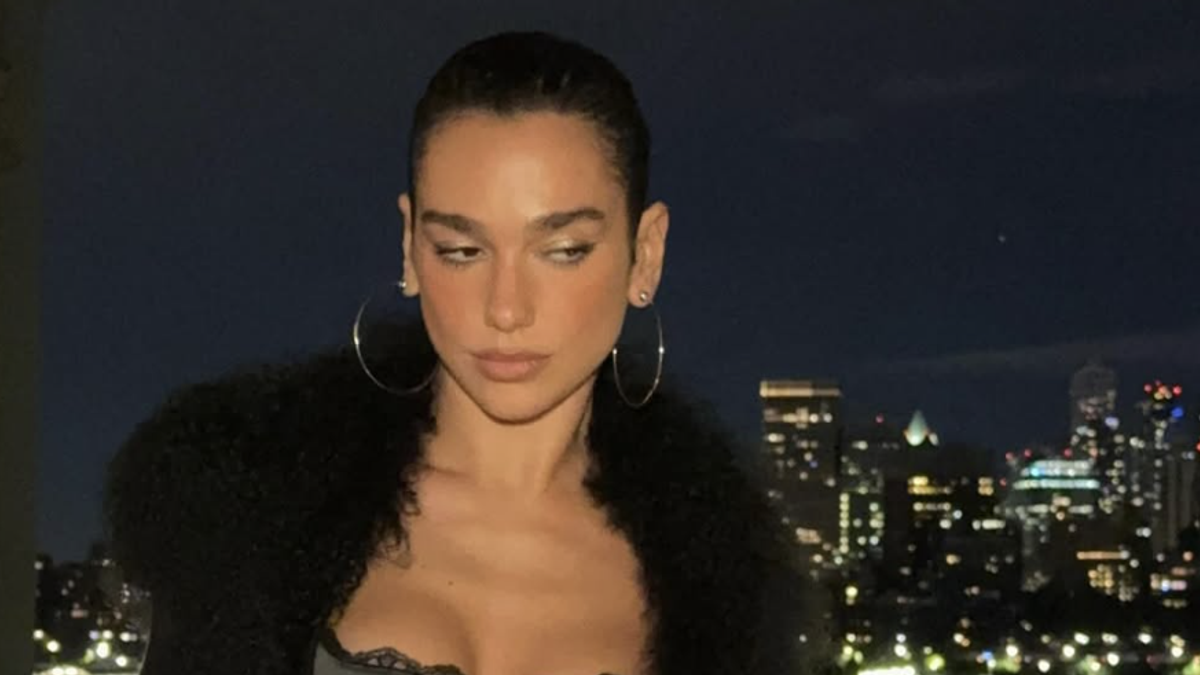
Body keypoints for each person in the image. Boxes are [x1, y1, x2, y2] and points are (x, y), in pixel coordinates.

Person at [103, 31, 813, 675]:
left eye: (564, 250)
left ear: (645, 254)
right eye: (461, 250)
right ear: (410, 246)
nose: (506, 308)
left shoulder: (724, 591)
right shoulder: (250, 509)